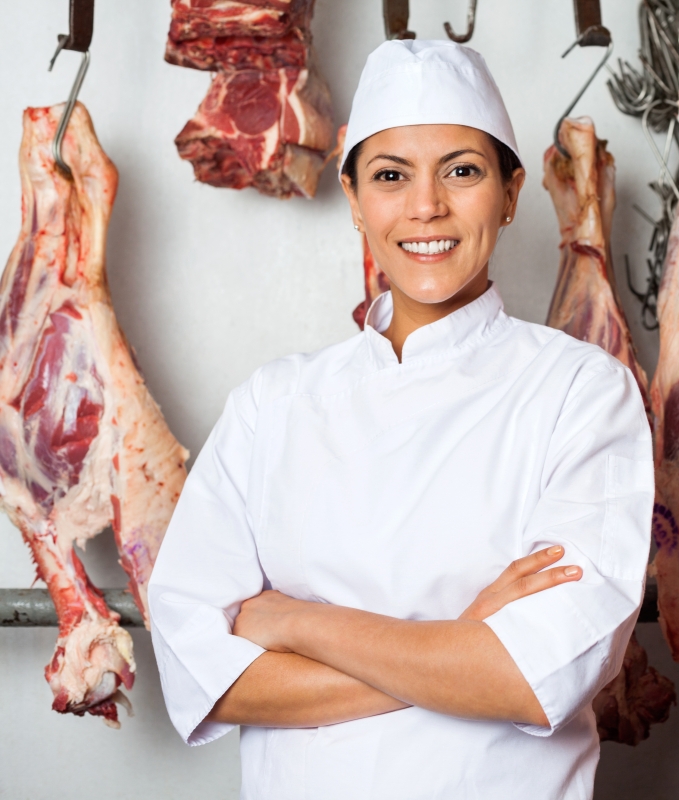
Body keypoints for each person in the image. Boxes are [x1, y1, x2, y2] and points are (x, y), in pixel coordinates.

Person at [148, 39, 652, 799]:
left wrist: (294, 622)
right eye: (390, 176)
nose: (426, 207)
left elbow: (528, 677)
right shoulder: (272, 405)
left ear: (512, 194)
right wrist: (460, 641)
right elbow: (205, 679)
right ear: (354, 202)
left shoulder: (581, 393)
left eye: (463, 171)